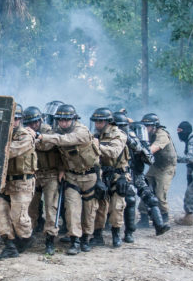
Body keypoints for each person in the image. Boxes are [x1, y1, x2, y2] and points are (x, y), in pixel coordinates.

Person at [37, 104, 99, 256]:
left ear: (73, 119)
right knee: (72, 209)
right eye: (60, 120)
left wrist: (44, 137)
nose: (63, 123)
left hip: (90, 176)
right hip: (72, 176)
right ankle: (75, 240)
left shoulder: (82, 131)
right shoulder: (57, 131)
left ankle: (86, 238)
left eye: (66, 120)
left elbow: (66, 140)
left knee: (89, 211)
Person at [0, 104, 38, 259]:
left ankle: (26, 238)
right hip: (5, 183)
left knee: (18, 218)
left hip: (22, 183)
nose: (14, 121)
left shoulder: (25, 136)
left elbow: (9, 151)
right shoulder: (2, 134)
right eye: (12, 118)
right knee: (0, 213)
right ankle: (10, 245)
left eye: (17, 118)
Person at [24, 106, 62, 256]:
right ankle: (27, 236)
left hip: (51, 174)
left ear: (40, 120)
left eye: (35, 122)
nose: (33, 125)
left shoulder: (48, 131)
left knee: (51, 209)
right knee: (30, 208)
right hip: (34, 174)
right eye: (30, 123)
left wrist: (34, 137)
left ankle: (50, 240)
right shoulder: (26, 131)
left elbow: (47, 145)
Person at [125, 118, 171, 238]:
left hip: (137, 174)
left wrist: (139, 147)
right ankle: (126, 232)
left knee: (151, 198)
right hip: (123, 174)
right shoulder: (120, 139)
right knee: (128, 200)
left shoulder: (139, 143)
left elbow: (149, 159)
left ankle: (159, 225)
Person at [90, 108, 128, 248]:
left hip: (119, 173)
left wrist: (96, 146)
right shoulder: (96, 136)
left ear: (108, 122)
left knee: (117, 205)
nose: (98, 124)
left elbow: (114, 152)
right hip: (102, 173)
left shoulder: (118, 134)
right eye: (96, 122)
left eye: (101, 121)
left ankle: (116, 233)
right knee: (99, 205)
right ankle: (98, 234)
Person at [137, 113, 177, 227]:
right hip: (155, 166)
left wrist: (139, 151)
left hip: (166, 167)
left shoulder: (162, 135)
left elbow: (152, 150)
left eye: (148, 126)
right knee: (145, 190)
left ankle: (164, 217)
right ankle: (143, 218)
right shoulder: (147, 134)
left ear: (155, 126)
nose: (146, 128)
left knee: (160, 194)